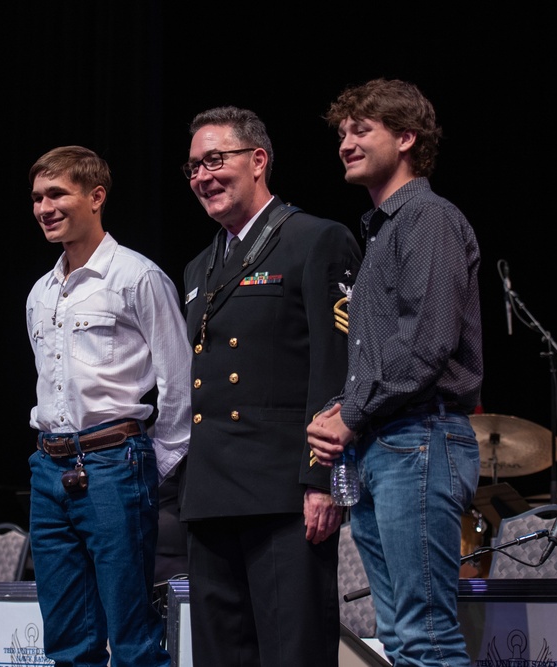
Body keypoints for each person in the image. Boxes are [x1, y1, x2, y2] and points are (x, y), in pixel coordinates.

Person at [308, 78, 483, 667]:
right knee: (404, 637)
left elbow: (427, 344)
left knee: (426, 636)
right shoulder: (383, 231)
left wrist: (350, 415)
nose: (346, 143)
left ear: (406, 138)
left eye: (362, 130)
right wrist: (343, 410)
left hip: (420, 440)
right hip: (387, 444)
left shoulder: (428, 218)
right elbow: (385, 351)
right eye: (342, 134)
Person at [179, 106, 362, 667]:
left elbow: (337, 371)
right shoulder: (196, 269)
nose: (203, 176)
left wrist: (322, 480)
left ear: (258, 161)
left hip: (283, 493)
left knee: (293, 655)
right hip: (211, 496)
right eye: (192, 168)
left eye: (215, 160)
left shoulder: (315, 240)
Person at [24, 146, 190, 667]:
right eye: (36, 197)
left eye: (57, 194)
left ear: (95, 197)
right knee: (68, 639)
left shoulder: (136, 276)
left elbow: (179, 379)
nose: (44, 207)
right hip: (48, 466)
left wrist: (153, 463)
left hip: (114, 461)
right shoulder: (40, 292)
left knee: (132, 635)